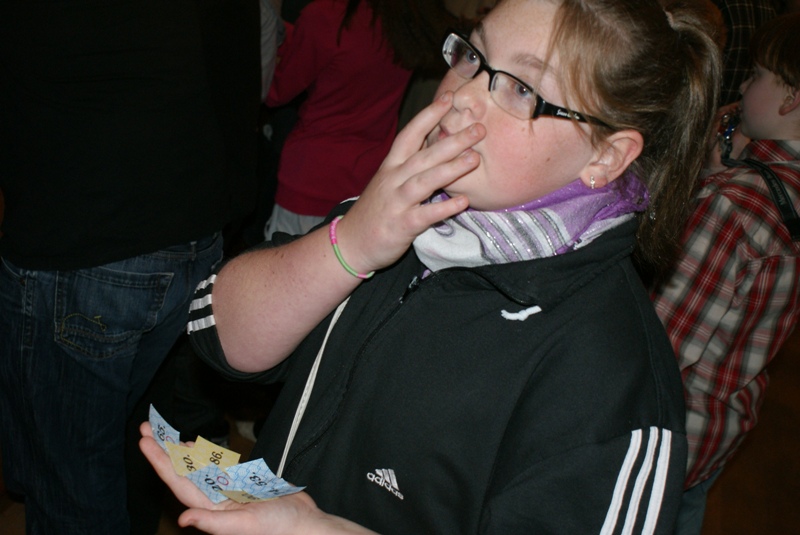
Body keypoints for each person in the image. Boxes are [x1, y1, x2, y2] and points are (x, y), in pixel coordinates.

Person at [141, 0, 723, 532]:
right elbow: (222, 337)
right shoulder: (406, 218)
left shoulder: (614, 379)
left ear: (606, 156)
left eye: (522, 89)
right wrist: (354, 242)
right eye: (474, 56)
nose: (463, 96)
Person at [0, 0, 262, 533]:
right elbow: (235, 67)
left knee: (72, 484)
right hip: (193, 227)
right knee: (139, 429)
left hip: (89, 239)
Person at [651, 12, 800, 535]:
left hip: (664, 436)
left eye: (756, 74)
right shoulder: (772, 190)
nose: (741, 86)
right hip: (719, 428)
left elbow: (658, 349)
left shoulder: (731, 206)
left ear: (790, 98)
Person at [263, 0, 456, 238]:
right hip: (368, 181)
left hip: (311, 178)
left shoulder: (327, 17)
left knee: (286, 258)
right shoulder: (404, 21)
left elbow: (275, 92)